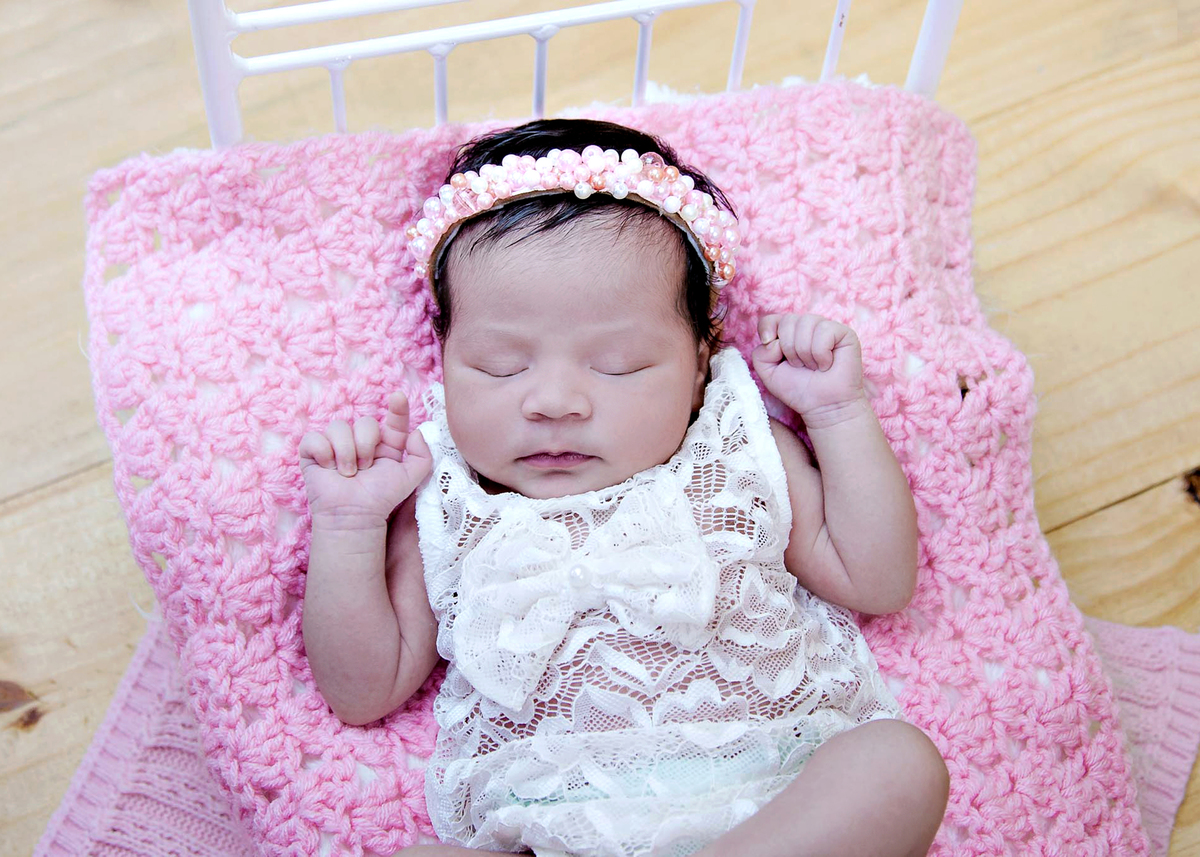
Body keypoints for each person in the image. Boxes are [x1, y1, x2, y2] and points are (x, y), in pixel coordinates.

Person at [299, 119, 949, 857]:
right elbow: (363, 689)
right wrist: (348, 526)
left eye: (618, 365)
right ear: (444, 357)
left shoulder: (733, 449)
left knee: (898, 762)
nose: (554, 401)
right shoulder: (449, 497)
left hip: (774, 798)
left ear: (700, 364)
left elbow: (879, 578)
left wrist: (837, 413)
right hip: (558, 829)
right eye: (501, 366)